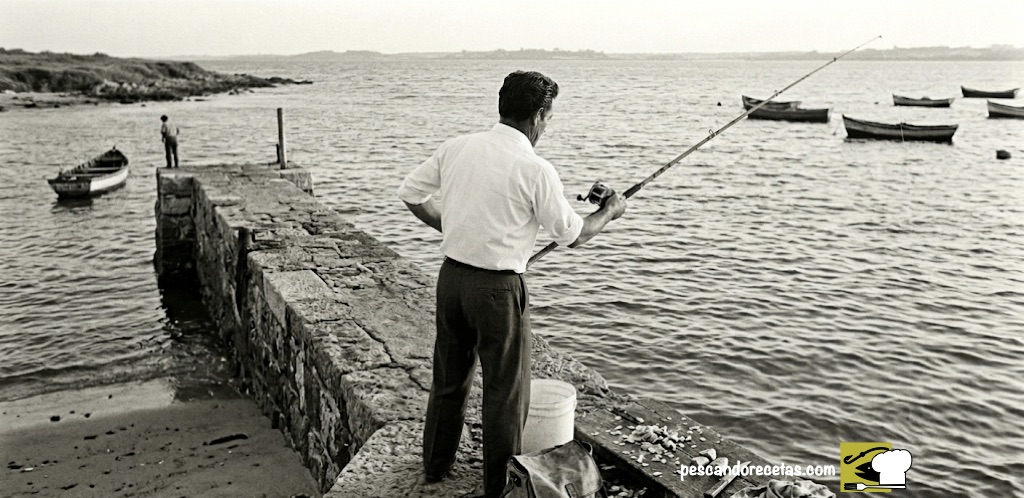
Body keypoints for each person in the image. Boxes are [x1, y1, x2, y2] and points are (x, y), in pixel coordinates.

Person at [396, 70, 626, 497]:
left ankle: (435, 465)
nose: (548, 125)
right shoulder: (535, 169)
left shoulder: (458, 147)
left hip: (451, 280)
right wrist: (610, 211)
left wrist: (452, 227)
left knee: (449, 379)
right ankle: (498, 488)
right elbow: (573, 235)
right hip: (498, 292)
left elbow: (411, 192)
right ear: (539, 114)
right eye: (549, 116)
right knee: (505, 395)